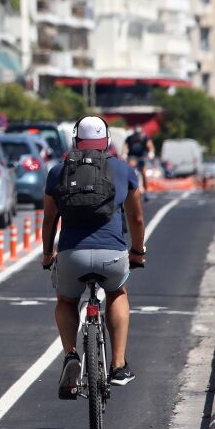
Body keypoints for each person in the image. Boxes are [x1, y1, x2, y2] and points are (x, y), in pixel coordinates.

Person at [42, 115, 146, 399]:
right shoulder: (123, 170)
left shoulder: (58, 172)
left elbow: (49, 220)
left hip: (71, 255)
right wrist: (137, 252)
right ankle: (118, 365)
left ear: (75, 141)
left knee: (66, 300)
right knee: (117, 293)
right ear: (108, 142)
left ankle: (71, 355)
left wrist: (47, 254)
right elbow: (136, 219)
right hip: (111, 256)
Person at [123, 124, 155, 190]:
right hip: (132, 157)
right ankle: (130, 188)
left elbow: (150, 146)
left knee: (144, 172)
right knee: (130, 169)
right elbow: (125, 147)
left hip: (142, 157)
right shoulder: (130, 138)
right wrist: (124, 153)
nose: (137, 135)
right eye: (136, 133)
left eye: (139, 133)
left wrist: (151, 153)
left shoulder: (145, 138)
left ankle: (146, 190)